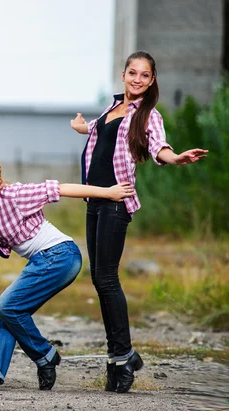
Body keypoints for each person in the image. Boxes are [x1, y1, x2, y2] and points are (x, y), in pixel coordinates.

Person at [70, 50, 208, 393]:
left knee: (106, 277)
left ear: (151, 80)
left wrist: (175, 157)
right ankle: (119, 358)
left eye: (144, 75)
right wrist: (83, 128)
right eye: (132, 72)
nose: (137, 79)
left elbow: (158, 145)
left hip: (116, 201)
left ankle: (122, 356)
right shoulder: (110, 108)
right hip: (94, 198)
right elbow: (101, 140)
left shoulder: (148, 115)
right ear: (123, 74)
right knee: (99, 279)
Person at [0, 152, 135, 392]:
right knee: (8, 313)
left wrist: (109, 192)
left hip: (60, 255)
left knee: (7, 306)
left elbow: (60, 189)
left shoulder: (13, 195)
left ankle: (45, 354)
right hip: (42, 260)